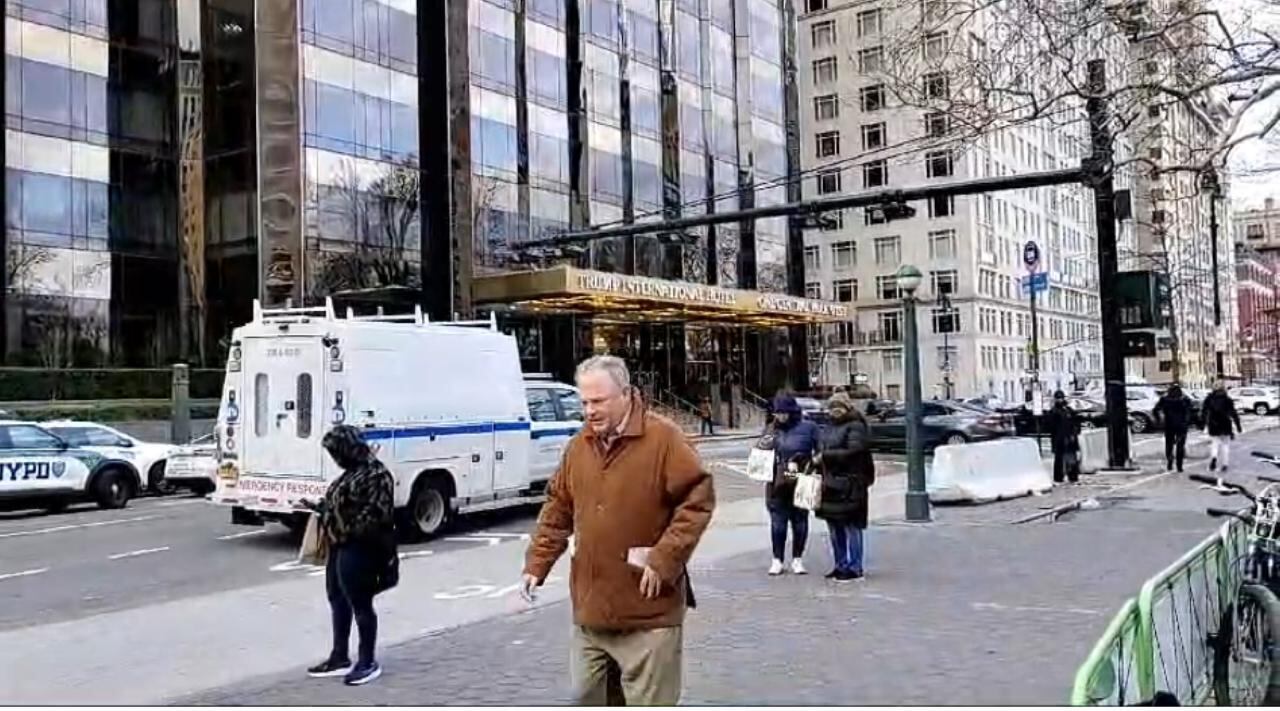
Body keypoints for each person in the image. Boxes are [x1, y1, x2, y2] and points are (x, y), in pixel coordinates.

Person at [521, 355, 715, 706]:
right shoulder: (579, 446)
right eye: (584, 402)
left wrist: (664, 558)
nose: (589, 411)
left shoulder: (664, 439)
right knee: (585, 696)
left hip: (648, 615)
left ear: (626, 394)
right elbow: (558, 507)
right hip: (592, 612)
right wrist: (538, 562)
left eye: (598, 401)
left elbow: (697, 500)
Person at [304, 425, 397, 686]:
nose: (335, 459)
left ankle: (367, 660)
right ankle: (340, 656)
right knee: (337, 599)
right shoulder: (352, 472)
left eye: (336, 452)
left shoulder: (376, 475)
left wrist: (340, 526)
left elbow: (376, 517)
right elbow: (342, 505)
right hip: (341, 545)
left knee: (361, 604)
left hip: (361, 548)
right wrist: (321, 509)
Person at [814, 392, 874, 582]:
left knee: (852, 527)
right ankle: (840, 564)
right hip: (830, 484)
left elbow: (854, 451)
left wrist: (825, 457)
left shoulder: (856, 426)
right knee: (834, 527)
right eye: (832, 407)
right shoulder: (828, 427)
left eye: (839, 406)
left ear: (847, 407)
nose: (835, 410)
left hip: (851, 484)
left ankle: (855, 567)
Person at [765, 394, 820, 576]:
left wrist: (808, 463)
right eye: (777, 413)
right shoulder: (772, 429)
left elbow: (820, 451)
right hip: (777, 482)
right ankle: (777, 559)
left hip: (801, 479)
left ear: (791, 412)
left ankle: (797, 559)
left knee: (799, 521)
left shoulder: (808, 428)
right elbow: (762, 451)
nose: (780, 416)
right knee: (778, 523)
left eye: (783, 413)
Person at [1202, 382, 1242, 473]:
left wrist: (1204, 424)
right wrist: (1238, 426)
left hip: (1213, 424)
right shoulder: (1227, 399)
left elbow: (1204, 412)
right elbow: (1233, 413)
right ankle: (1225, 464)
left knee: (1214, 444)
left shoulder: (1209, 399)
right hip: (1225, 424)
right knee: (1225, 445)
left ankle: (1214, 457)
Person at [1155, 384, 1194, 473]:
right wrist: (1187, 422)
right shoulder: (1184, 399)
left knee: (1169, 444)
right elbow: (1190, 411)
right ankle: (1179, 466)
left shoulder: (1165, 399)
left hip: (1169, 424)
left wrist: (1159, 420)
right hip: (1181, 425)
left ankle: (1169, 461)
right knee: (1180, 445)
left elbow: (1156, 409)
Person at [1045, 391, 1081, 484]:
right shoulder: (1054, 411)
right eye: (1058, 398)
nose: (1060, 400)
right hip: (1060, 439)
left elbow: (1075, 422)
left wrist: (1075, 432)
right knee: (1060, 459)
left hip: (1069, 438)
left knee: (1071, 458)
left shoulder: (1068, 410)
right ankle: (1059, 477)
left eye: (1061, 398)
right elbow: (1051, 426)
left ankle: (1072, 477)